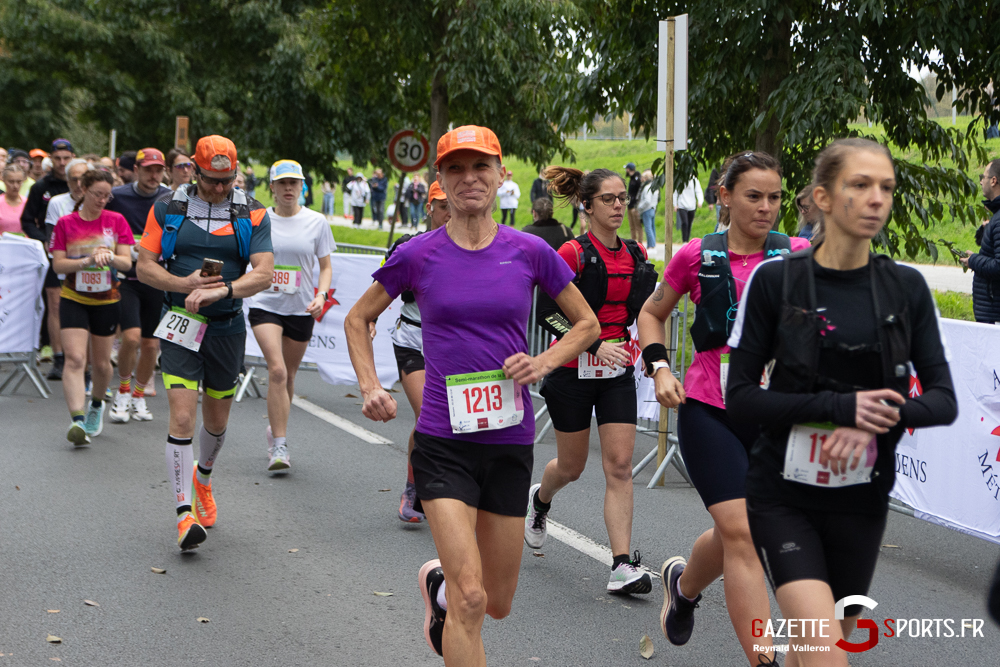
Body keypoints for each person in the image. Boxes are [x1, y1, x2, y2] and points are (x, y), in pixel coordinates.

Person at [344, 125, 599, 664]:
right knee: (472, 598)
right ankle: (453, 593)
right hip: (443, 442)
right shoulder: (418, 254)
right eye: (455, 168)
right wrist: (370, 385)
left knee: (497, 602)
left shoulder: (529, 251)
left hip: (509, 441)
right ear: (440, 179)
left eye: (480, 166)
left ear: (501, 174)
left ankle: (438, 588)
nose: (469, 178)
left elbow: (586, 324)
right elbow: (358, 317)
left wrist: (543, 362)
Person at [727, 138, 956, 664]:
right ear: (823, 198)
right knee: (826, 649)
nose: (877, 198)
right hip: (784, 494)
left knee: (814, 649)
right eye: (860, 184)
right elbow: (740, 398)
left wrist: (875, 420)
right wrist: (839, 410)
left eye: (886, 188)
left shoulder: (906, 288)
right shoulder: (776, 280)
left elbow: (943, 401)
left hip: (862, 499)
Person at [638, 151, 810, 665]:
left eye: (775, 197)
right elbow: (651, 313)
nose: (766, 207)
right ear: (725, 196)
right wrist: (660, 367)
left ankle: (683, 587)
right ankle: (764, 661)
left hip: (777, 417)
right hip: (709, 409)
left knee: (742, 528)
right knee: (744, 533)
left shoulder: (800, 254)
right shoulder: (696, 256)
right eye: (753, 196)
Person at [136, 134, 274, 551]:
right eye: (212, 180)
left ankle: (204, 477)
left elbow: (264, 273)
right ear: (194, 172)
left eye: (227, 180)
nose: (219, 187)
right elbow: (144, 267)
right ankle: (184, 514)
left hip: (227, 327)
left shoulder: (252, 212)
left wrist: (224, 290)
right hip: (180, 324)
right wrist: (184, 284)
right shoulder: (168, 208)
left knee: (216, 422)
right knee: (181, 417)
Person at [526, 165, 658, 595]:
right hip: (572, 372)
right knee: (572, 466)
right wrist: (592, 345)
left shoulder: (636, 252)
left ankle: (622, 565)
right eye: (608, 199)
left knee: (619, 465)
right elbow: (547, 312)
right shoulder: (572, 253)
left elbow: (644, 314)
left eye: (622, 198)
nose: (619, 205)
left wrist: (646, 348)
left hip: (616, 372)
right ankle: (540, 499)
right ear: (587, 205)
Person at [248, 160, 334, 471]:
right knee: (277, 371)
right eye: (282, 183)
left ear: (302, 187)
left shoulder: (316, 222)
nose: (288, 188)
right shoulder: (259, 220)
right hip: (264, 304)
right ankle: (280, 446)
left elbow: (325, 267)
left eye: (294, 183)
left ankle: (275, 428)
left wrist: (321, 295)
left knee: (290, 375)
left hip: (300, 308)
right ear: (271, 187)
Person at [49, 169, 135, 445]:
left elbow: (127, 263)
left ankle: (96, 405)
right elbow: (58, 265)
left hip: (107, 299)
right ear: (83, 189)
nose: (102, 200)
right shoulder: (66, 223)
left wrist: (109, 257)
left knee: (101, 363)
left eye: (107, 196)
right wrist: (86, 261)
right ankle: (77, 420)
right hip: (74, 297)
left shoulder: (116, 220)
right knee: (75, 359)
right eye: (97, 194)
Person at [385, 180, 451, 523]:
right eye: (442, 206)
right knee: (428, 416)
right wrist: (369, 321)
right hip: (413, 340)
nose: (448, 212)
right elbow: (380, 291)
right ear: (429, 208)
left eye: (452, 205)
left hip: (453, 345)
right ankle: (413, 488)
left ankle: (452, 486)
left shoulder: (474, 248)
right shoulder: (409, 246)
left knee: (457, 422)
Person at [105, 148, 171, 424]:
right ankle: (122, 391)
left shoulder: (170, 198)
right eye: (148, 170)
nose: (153, 175)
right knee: (131, 338)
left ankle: (138, 395)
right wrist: (119, 249)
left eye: (158, 170)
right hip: (126, 278)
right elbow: (102, 227)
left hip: (157, 278)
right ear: (136, 170)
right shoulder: (117, 196)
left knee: (151, 344)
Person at [22, 139, 74, 379]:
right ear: (51, 160)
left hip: (80, 250)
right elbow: (27, 220)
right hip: (53, 252)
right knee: (54, 303)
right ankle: (58, 357)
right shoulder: (40, 187)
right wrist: (43, 239)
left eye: (66, 158)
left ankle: (79, 356)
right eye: (58, 158)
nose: (62, 163)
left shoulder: (83, 184)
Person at [960, 159, 1000, 324]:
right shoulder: (996, 216)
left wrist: (974, 261)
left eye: (983, 177)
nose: (981, 181)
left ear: (993, 180)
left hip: (994, 316)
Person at [672, 174, 704, 243]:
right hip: (682, 205)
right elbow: (675, 192)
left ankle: (687, 239)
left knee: (689, 223)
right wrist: (675, 204)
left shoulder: (694, 179)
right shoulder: (680, 179)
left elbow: (698, 191)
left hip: (692, 205)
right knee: (685, 223)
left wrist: (700, 201)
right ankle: (684, 241)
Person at [0, 163, 27, 234]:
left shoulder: (27, 203)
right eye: (11, 182)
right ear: (4, 181)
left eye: (19, 182)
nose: (15, 186)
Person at [636, 169, 659, 249]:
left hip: (647, 210)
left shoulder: (647, 188)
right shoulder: (654, 187)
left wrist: (639, 207)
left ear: (646, 178)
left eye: (643, 177)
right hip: (652, 208)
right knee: (652, 228)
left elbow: (647, 201)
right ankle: (652, 244)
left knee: (648, 228)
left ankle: (651, 245)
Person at [624, 162, 643, 242]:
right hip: (630, 205)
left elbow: (640, 193)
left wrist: (637, 205)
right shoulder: (631, 179)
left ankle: (640, 242)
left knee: (637, 226)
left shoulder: (637, 179)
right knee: (632, 226)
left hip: (635, 206)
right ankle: (633, 241)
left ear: (628, 169)